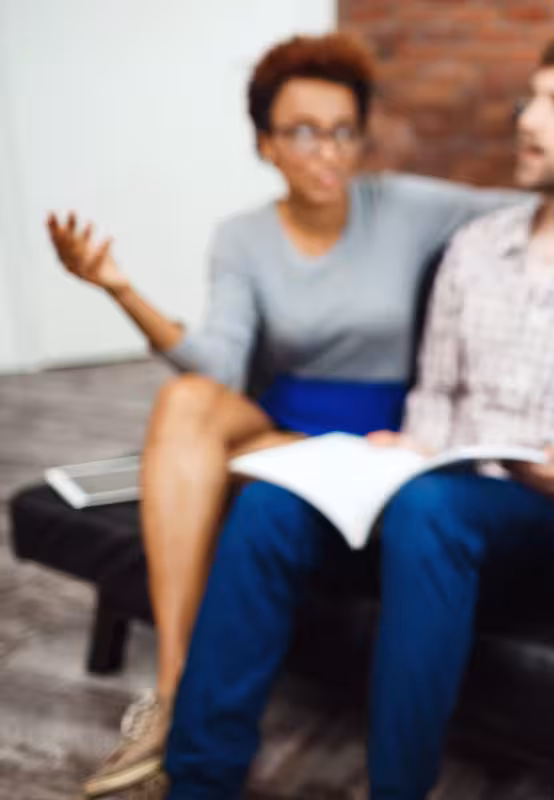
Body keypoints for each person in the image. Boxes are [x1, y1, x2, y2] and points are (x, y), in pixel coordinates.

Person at [162, 36, 554, 799]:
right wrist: (411, 443)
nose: (528, 120)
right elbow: (438, 392)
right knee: (274, 503)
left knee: (431, 509)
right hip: (441, 490)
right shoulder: (475, 248)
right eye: (531, 98)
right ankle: (198, 780)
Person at [46, 33, 519, 798]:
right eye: (301, 131)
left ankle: (180, 706)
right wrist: (117, 287)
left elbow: (540, 206)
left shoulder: (408, 206)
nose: (325, 151)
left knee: (211, 448)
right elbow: (221, 365)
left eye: (342, 130)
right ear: (266, 143)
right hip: (278, 437)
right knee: (184, 400)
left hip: (380, 444)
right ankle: (176, 693)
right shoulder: (243, 237)